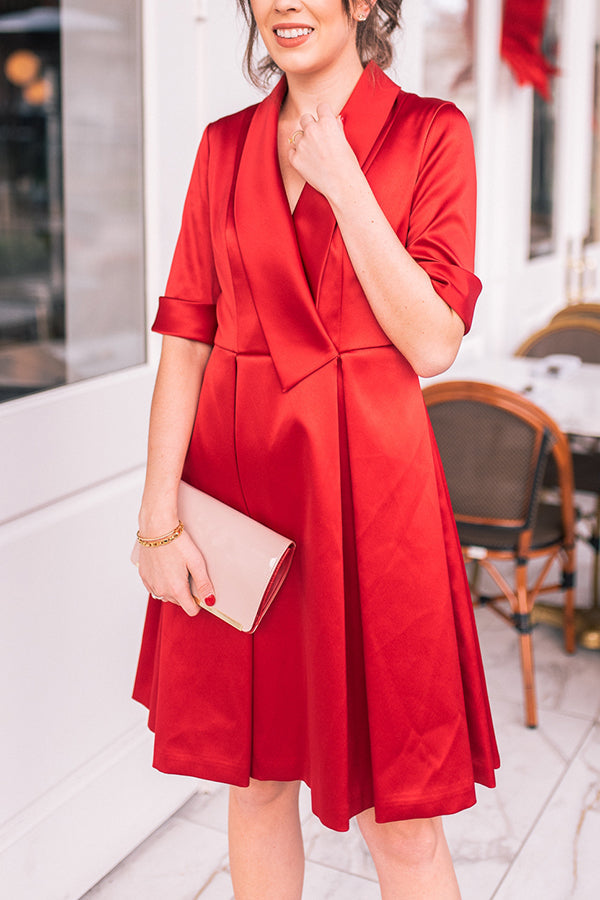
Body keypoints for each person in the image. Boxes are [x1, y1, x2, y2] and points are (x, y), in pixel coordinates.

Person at [133, 2, 500, 897]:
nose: (286, 5)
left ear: (369, 1)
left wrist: (345, 184)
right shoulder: (223, 147)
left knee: (399, 818)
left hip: (373, 501)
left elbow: (433, 344)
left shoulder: (430, 132)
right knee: (256, 785)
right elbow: (185, 335)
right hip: (243, 498)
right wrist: (156, 519)